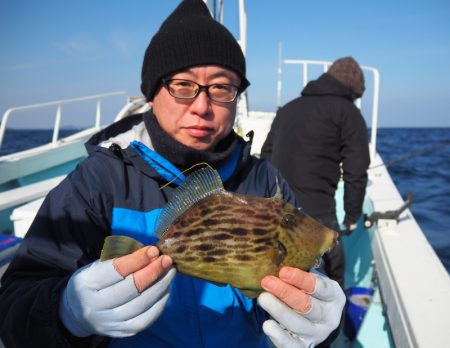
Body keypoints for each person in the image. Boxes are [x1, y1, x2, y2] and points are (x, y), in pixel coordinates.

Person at [0, 1, 345, 347]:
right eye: (183, 84)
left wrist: (318, 319)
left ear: (237, 96)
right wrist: (65, 313)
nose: (202, 106)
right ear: (152, 94)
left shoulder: (265, 179)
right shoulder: (100, 181)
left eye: (222, 87)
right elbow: (14, 304)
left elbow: (306, 275)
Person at [261, 57, 371, 289]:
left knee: (277, 274)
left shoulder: (287, 109)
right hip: (318, 212)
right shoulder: (348, 112)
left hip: (277, 212)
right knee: (332, 274)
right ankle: (332, 324)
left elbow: (265, 157)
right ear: (352, 91)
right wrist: (351, 218)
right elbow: (356, 171)